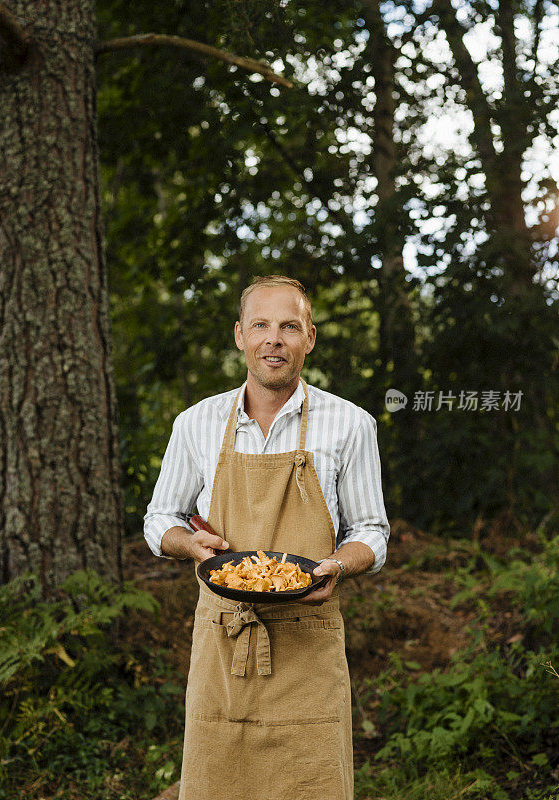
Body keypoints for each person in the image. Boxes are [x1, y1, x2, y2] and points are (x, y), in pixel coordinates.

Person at [144, 275, 390, 800]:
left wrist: (339, 566)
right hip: (222, 641)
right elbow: (159, 515)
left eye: (288, 326)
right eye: (260, 325)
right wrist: (188, 545)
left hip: (308, 641)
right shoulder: (196, 423)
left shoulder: (350, 424)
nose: (273, 339)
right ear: (239, 335)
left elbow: (372, 531)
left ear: (310, 338)